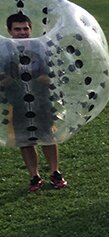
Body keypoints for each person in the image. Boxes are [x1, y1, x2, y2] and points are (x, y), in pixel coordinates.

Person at [3, 13, 67, 192]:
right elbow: (3, 80)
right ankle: (34, 176)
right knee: (25, 139)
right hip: (17, 103)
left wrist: (30, 77)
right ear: (9, 31)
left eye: (25, 29)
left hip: (42, 100)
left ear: (31, 29)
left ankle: (55, 172)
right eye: (17, 29)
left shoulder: (41, 47)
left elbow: (50, 77)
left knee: (47, 136)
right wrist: (14, 78)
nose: (22, 33)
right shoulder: (4, 50)